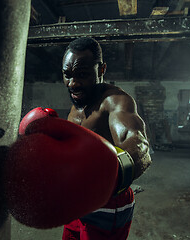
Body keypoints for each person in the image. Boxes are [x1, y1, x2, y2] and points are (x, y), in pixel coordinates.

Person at [61, 37, 152, 240]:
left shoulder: (114, 102)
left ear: (101, 70)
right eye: (67, 75)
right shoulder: (78, 101)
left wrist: (102, 180)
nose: (73, 83)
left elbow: (139, 147)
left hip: (107, 204)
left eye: (83, 75)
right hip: (77, 201)